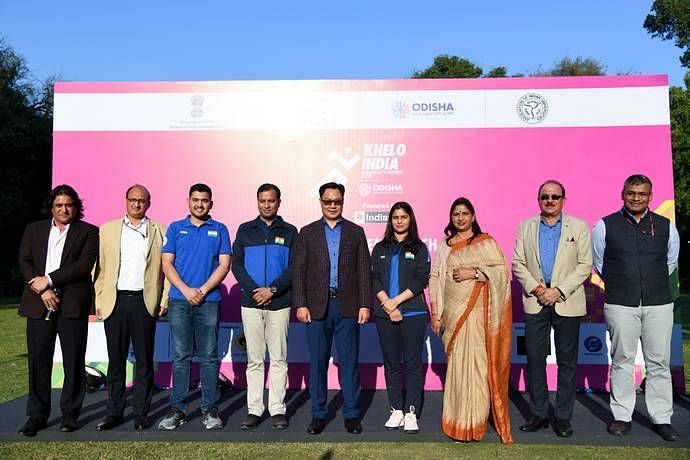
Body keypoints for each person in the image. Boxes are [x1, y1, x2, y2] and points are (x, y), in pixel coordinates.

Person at [592, 174, 680, 442]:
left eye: (642, 193)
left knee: (659, 363)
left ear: (650, 196)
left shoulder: (666, 226)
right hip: (620, 302)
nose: (636, 197)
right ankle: (622, 416)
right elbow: (599, 262)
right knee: (621, 360)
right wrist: (623, 282)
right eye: (631, 192)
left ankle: (662, 418)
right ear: (623, 194)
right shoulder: (605, 225)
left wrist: (648, 282)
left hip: (659, 303)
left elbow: (670, 262)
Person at [428, 197, 513, 443]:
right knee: (456, 370)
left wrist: (474, 273)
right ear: (451, 217)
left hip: (477, 316)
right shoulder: (445, 245)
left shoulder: (485, 242)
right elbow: (436, 278)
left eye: (465, 213)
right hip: (452, 316)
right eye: (456, 214)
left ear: (473, 216)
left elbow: (501, 273)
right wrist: (436, 313)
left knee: (476, 369)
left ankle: (474, 424)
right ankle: (456, 421)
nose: (460, 218)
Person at [512, 180, 592, 438]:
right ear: (538, 200)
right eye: (545, 196)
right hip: (535, 301)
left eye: (555, 196)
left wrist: (558, 291)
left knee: (567, 363)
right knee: (535, 358)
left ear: (563, 200)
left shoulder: (578, 227)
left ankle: (563, 417)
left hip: (567, 301)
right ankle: (538, 414)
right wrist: (538, 290)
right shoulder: (526, 226)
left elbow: (584, 265)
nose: (550, 200)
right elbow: (518, 263)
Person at [17, 185, 99, 436]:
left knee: (74, 362)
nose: (64, 209)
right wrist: (42, 289)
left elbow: (83, 265)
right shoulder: (34, 229)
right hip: (38, 301)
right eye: (59, 205)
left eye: (69, 205)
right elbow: (24, 260)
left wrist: (49, 280)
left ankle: (70, 415)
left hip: (73, 304)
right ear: (52, 207)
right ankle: (37, 415)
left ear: (76, 207)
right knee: (38, 361)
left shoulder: (88, 231)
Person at [293, 182, 371, 435]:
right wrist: (301, 303)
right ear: (320, 202)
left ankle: (351, 415)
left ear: (343, 202)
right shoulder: (307, 232)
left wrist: (364, 304)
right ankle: (318, 414)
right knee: (317, 363)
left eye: (337, 201)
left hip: (347, 306)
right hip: (316, 307)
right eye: (328, 201)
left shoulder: (356, 232)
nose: (332, 205)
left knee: (349, 363)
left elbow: (363, 271)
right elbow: (299, 272)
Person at [93, 185, 169, 432]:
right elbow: (100, 269)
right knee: (115, 361)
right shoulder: (107, 230)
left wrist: (164, 299)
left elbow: (166, 269)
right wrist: (99, 300)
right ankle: (114, 412)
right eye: (133, 200)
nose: (137, 204)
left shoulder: (159, 230)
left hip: (144, 302)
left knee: (145, 361)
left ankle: (141, 414)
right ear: (126, 201)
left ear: (149, 203)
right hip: (115, 301)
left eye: (142, 200)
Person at [158, 183, 231, 431]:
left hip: (209, 302)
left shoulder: (219, 229)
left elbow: (224, 265)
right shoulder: (176, 228)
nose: (200, 204)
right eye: (195, 200)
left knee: (209, 357)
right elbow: (167, 264)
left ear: (211, 203)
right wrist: (188, 291)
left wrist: (202, 291)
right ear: (188, 201)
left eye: (204, 200)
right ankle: (177, 409)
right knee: (181, 357)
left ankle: (210, 410)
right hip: (180, 301)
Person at [231, 183, 297, 431]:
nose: (267, 205)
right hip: (251, 303)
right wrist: (255, 291)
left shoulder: (290, 232)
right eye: (262, 201)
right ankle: (255, 409)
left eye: (271, 201)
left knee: (279, 359)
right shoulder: (245, 230)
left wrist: (273, 290)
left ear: (279, 202)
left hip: (279, 303)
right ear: (257, 202)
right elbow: (237, 265)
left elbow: (294, 267)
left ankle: (278, 409)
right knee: (254, 359)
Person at [371, 202, 430, 434]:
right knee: (392, 363)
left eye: (403, 217)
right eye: (395, 217)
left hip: (413, 313)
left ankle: (411, 412)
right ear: (390, 220)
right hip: (385, 313)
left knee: (413, 364)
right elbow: (374, 278)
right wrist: (388, 303)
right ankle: (396, 409)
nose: (399, 221)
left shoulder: (419, 248)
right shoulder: (379, 248)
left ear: (410, 219)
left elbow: (420, 280)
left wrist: (396, 302)